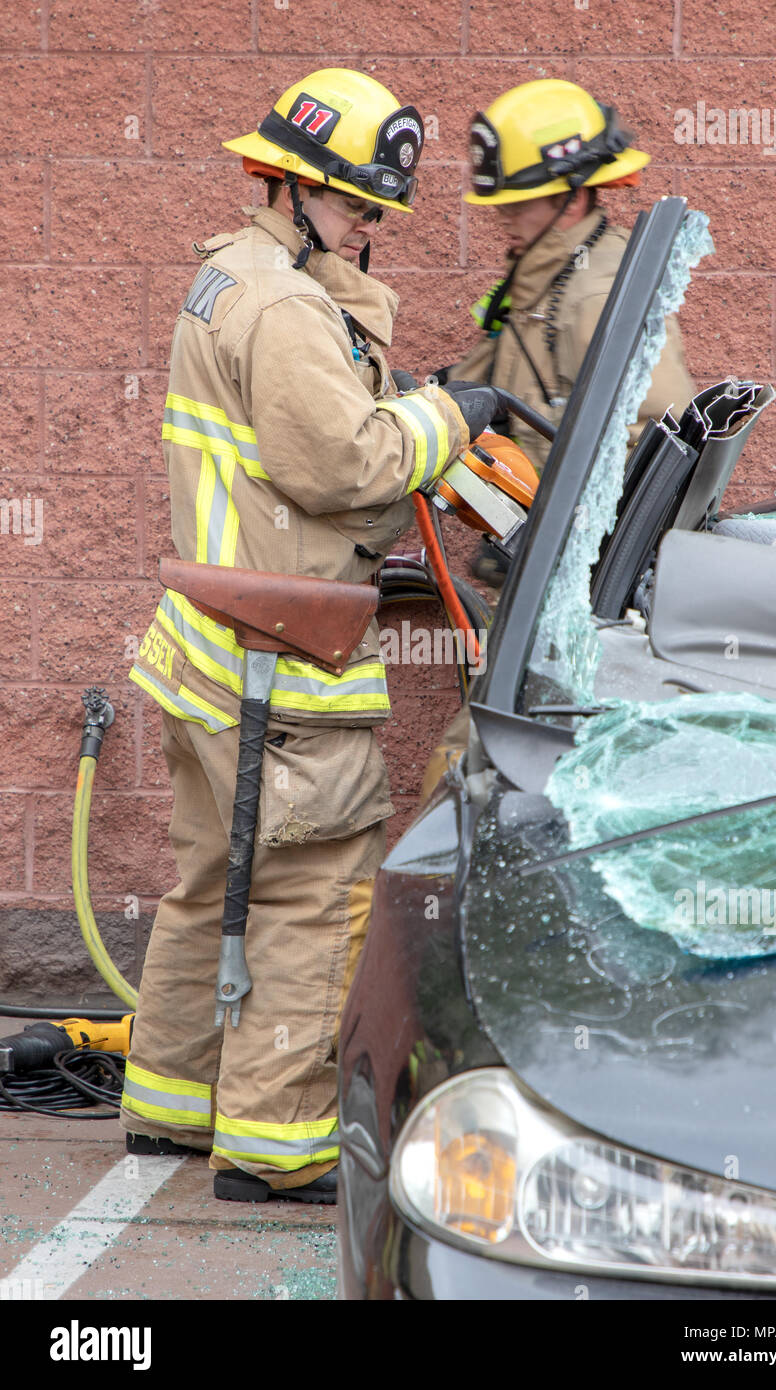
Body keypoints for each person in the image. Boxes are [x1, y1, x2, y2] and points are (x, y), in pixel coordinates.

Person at [118, 68, 497, 1203]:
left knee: (207, 885)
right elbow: (342, 466)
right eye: (355, 204)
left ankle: (173, 1109)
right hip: (280, 664)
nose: (369, 225)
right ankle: (275, 1153)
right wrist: (441, 418)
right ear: (286, 186)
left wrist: (375, 359)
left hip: (207, 650)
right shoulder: (284, 307)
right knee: (312, 889)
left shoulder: (230, 278)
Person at [443, 78, 696, 584]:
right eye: (502, 204)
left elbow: (658, 435)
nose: (503, 220)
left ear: (573, 199)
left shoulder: (596, 292)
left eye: (519, 204)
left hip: (583, 578)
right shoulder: (543, 274)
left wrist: (573, 535)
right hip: (541, 561)